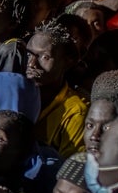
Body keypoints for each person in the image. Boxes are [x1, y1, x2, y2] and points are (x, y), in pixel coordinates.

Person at [26, 21, 87, 158]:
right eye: (29, 54)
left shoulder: (75, 112)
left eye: (45, 57)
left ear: (68, 61)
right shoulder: (13, 94)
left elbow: (69, 169)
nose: (31, 64)